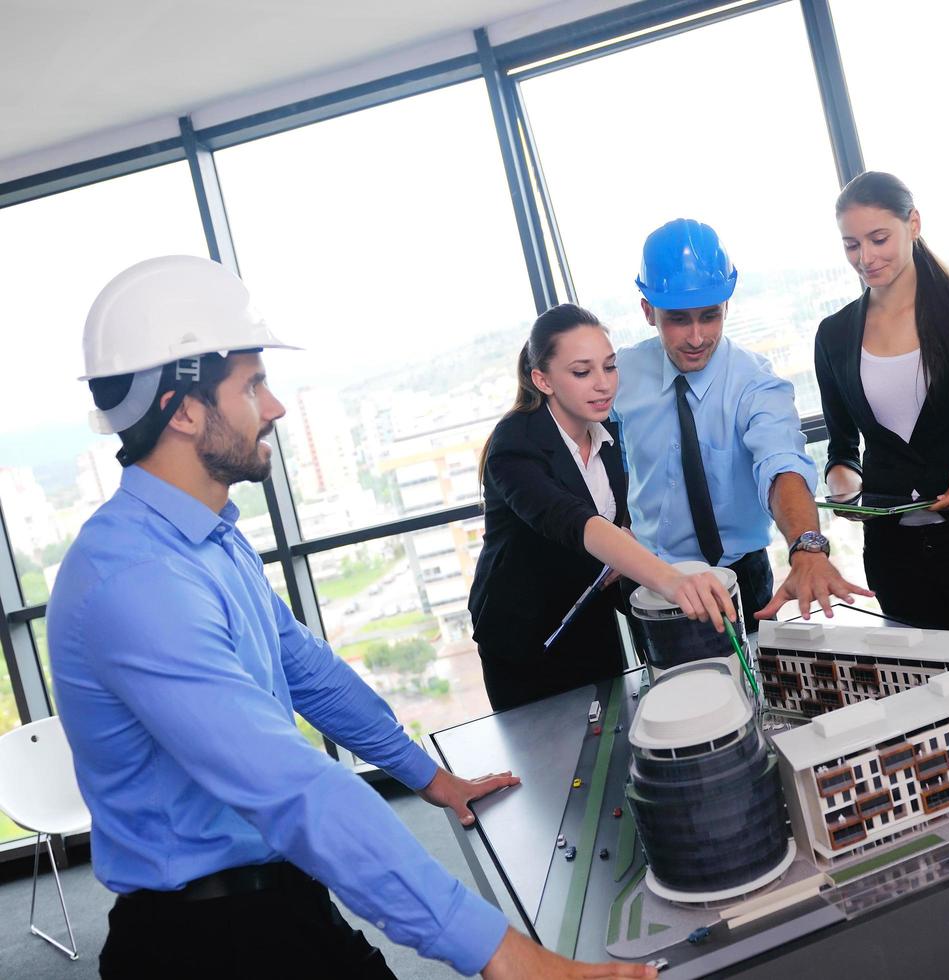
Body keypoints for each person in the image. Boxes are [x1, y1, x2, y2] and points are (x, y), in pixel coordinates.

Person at [48, 256, 653, 979]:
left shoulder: (207, 540)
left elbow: (302, 667)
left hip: (280, 897)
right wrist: (512, 959)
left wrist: (427, 777)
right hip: (202, 940)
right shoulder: (135, 584)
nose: (272, 407)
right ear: (184, 410)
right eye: (251, 384)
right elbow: (291, 783)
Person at [469, 303, 735, 711]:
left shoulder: (610, 430)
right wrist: (674, 583)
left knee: (610, 736)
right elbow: (574, 521)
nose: (603, 384)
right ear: (543, 380)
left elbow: (621, 520)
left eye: (609, 367)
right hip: (521, 637)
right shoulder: (514, 446)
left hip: (590, 622)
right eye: (582, 372)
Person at [615, 218, 871, 629]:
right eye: (679, 319)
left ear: (726, 307)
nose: (697, 337)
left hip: (738, 578)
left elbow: (781, 464)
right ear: (649, 311)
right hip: (650, 578)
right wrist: (612, 537)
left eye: (710, 316)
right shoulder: (621, 373)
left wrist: (807, 547)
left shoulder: (757, 383)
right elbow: (594, 451)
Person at [814, 171, 949, 630]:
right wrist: (844, 487)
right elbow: (842, 449)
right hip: (892, 555)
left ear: (913, 224)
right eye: (851, 245)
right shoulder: (834, 335)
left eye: (878, 238)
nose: (866, 257)